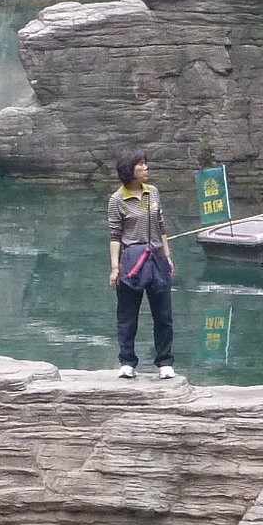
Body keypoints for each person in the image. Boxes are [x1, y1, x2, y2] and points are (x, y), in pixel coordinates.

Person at [108, 152, 176, 380]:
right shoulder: (117, 199)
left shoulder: (153, 192)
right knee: (128, 314)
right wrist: (115, 267)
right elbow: (115, 235)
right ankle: (127, 361)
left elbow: (161, 225)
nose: (146, 168)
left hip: (156, 258)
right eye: (141, 165)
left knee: (163, 314)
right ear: (130, 171)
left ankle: (164, 361)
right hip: (132, 260)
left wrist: (167, 255)